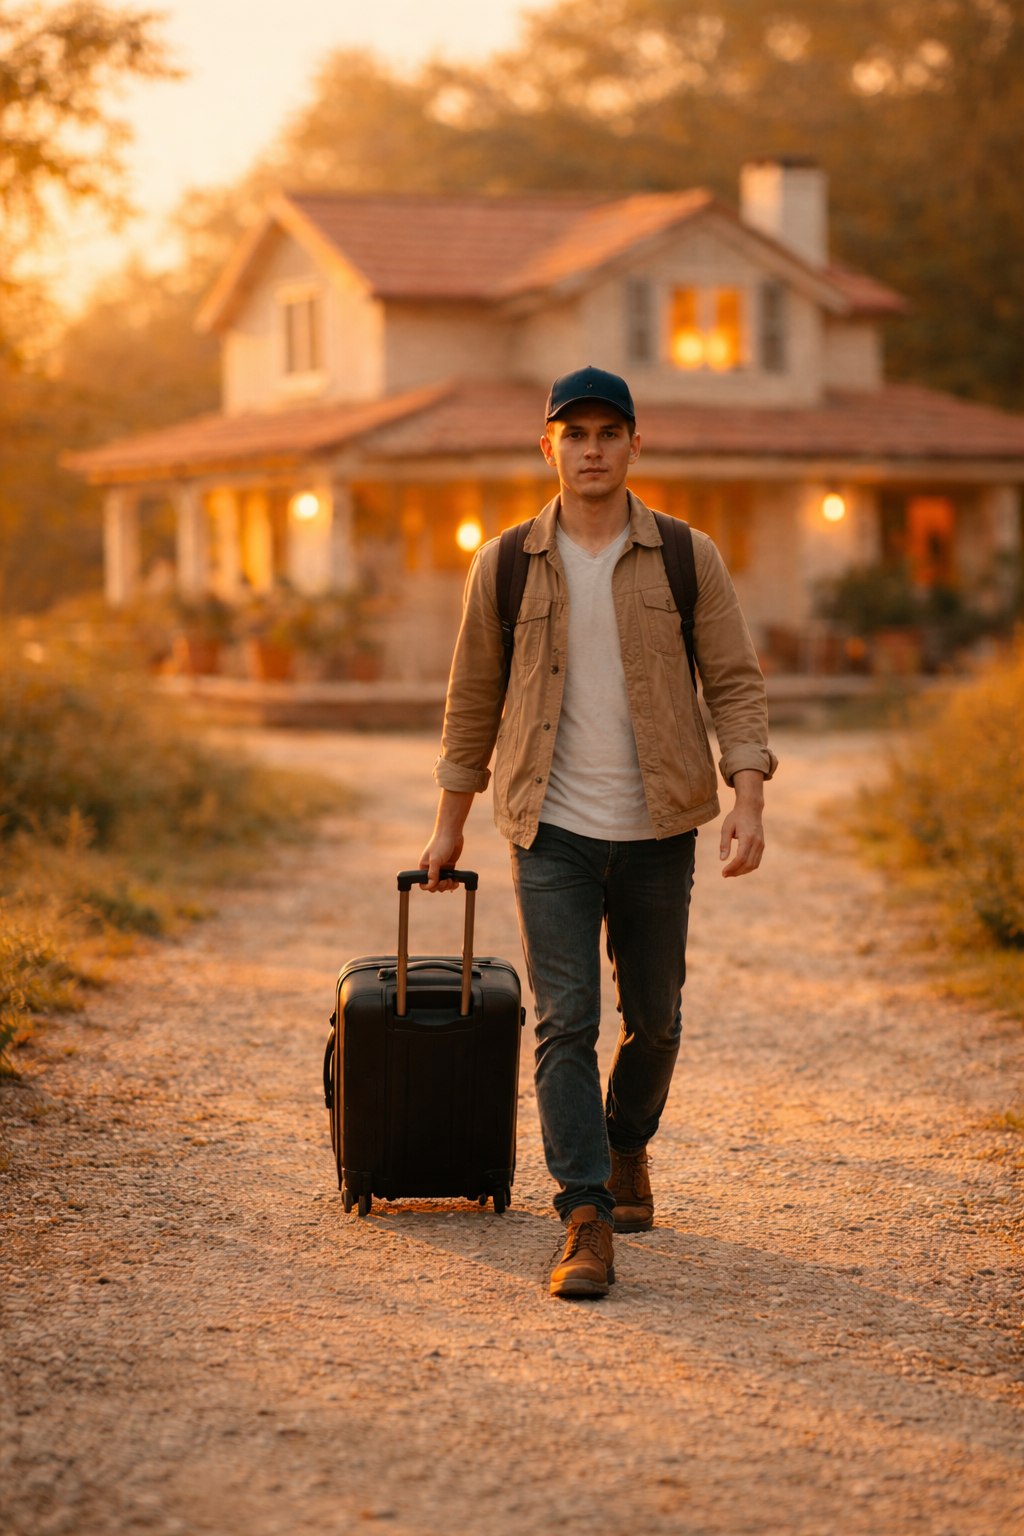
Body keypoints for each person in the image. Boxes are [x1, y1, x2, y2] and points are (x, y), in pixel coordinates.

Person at [419, 365, 776, 1299]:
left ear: (633, 446)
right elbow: (471, 700)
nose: (591, 449)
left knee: (655, 1020)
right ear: (548, 447)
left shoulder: (688, 556)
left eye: (607, 432)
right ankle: (585, 1214)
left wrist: (748, 797)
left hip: (659, 826)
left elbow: (734, 682)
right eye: (573, 434)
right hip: (550, 829)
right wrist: (450, 825)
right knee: (565, 1021)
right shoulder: (504, 563)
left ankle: (626, 1144)